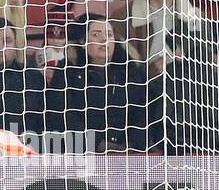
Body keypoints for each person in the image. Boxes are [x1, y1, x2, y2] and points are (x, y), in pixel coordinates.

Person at [43, 16, 150, 150]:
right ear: (82, 41)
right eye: (96, 35)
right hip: (82, 152)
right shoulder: (67, 71)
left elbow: (142, 111)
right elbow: (63, 115)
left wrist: (131, 144)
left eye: (109, 34)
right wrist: (97, 144)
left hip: (129, 151)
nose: (104, 39)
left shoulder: (131, 70)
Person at [0, 17, 43, 135]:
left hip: (28, 148)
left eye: (7, 41)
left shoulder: (32, 77)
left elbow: (45, 123)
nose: (1, 48)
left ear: (15, 45)